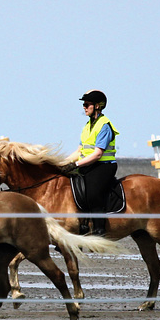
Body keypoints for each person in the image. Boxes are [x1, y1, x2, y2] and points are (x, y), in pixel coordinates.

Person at [62, 89, 119, 236]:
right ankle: (80, 226)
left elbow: (98, 154)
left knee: (92, 192)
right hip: (88, 165)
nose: (84, 107)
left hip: (103, 166)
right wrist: (62, 163)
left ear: (97, 106)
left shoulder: (104, 126)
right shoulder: (87, 126)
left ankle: (100, 229)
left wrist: (75, 165)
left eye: (87, 104)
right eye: (84, 104)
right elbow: (79, 151)